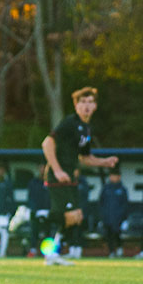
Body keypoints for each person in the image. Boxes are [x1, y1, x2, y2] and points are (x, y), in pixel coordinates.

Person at [40, 87, 118, 265]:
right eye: (83, 102)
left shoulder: (86, 129)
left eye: (90, 102)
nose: (86, 106)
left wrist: (104, 162)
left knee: (75, 217)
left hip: (69, 177)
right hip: (58, 176)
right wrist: (58, 170)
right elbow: (47, 143)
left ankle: (52, 254)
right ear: (76, 106)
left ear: (95, 106)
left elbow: (85, 158)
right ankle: (32, 216)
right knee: (67, 215)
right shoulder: (70, 123)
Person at [97, 169, 128, 257]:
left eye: (115, 176)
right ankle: (111, 251)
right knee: (108, 235)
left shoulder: (122, 189)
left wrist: (123, 217)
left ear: (119, 177)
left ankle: (119, 249)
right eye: (111, 175)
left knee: (117, 234)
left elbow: (125, 204)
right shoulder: (106, 188)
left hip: (118, 218)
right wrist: (102, 215)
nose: (113, 178)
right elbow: (101, 202)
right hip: (107, 217)